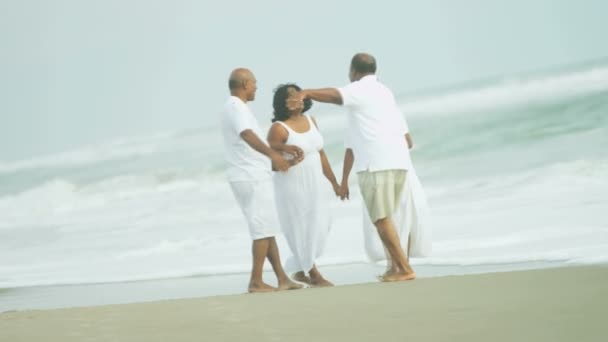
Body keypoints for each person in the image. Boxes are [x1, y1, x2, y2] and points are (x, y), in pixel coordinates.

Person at [294, 53, 417, 282]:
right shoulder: (382, 92)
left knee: (381, 219)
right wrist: (343, 181)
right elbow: (351, 147)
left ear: (354, 71)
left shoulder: (360, 89)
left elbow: (334, 95)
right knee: (386, 217)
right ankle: (395, 267)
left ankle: (405, 269)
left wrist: (307, 92)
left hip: (377, 164)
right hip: (397, 162)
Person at [221, 68, 303, 293]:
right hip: (249, 177)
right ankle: (256, 281)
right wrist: (273, 155)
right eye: (254, 83)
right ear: (245, 83)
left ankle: (282, 279)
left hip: (253, 174)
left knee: (266, 227)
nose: (257, 87)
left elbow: (248, 145)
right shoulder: (235, 106)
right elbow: (247, 135)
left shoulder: (238, 108)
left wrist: (275, 161)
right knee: (262, 230)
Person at [267, 83, 339, 287]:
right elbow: (272, 163)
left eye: (297, 95)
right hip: (292, 185)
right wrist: (288, 159)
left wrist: (334, 182)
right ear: (283, 103)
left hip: (315, 182)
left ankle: (300, 268)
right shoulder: (279, 128)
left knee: (322, 224)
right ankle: (313, 273)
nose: (295, 98)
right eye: (289, 97)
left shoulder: (312, 120)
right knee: (301, 226)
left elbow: (321, 153)